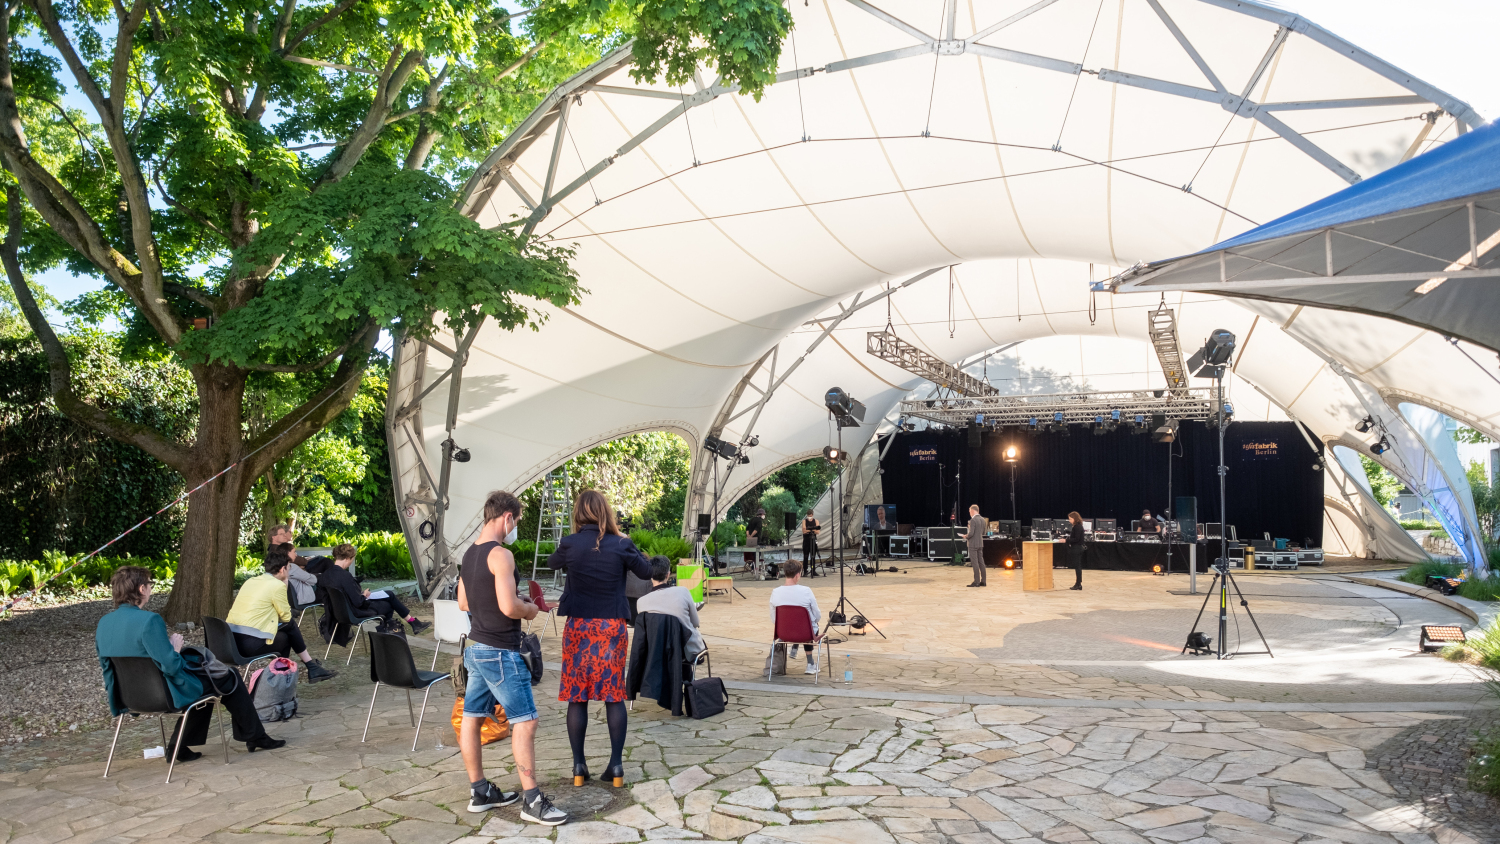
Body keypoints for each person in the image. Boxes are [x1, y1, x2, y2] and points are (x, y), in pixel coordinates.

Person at [457, 490, 568, 826]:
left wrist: (509, 597)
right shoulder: (501, 555)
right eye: (516, 521)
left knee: (473, 717)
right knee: (526, 720)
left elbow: (464, 602)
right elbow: (509, 608)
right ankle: (532, 800)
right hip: (500, 651)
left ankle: (480, 791)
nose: (515, 527)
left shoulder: (469, 554)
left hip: (474, 648)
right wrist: (530, 608)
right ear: (507, 517)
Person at [96, 566, 285, 760]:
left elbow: (108, 669)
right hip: (163, 694)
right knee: (228, 677)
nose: (151, 589)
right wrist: (175, 648)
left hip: (129, 697)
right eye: (149, 584)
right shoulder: (149, 620)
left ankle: (179, 747)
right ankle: (255, 736)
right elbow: (171, 666)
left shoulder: (104, 623)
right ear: (142, 589)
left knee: (206, 681)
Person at [549, 489, 652, 790]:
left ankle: (579, 765)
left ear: (579, 513)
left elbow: (554, 563)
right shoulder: (621, 543)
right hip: (611, 627)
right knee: (612, 693)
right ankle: (616, 765)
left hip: (578, 626)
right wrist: (627, 544)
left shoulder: (570, 543)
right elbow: (646, 572)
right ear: (606, 512)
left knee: (576, 694)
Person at [225, 552, 338, 682]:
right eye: (289, 566)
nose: (290, 570)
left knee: (286, 631)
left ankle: (304, 669)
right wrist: (285, 584)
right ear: (282, 568)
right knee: (287, 634)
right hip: (250, 645)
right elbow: (286, 617)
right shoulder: (277, 585)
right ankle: (288, 677)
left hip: (232, 640)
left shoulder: (251, 581)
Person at [317, 544, 431, 635]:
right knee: (388, 604)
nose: (352, 562)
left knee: (389, 594)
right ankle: (390, 632)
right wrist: (364, 595)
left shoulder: (325, 575)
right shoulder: (345, 576)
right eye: (352, 559)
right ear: (347, 558)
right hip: (353, 612)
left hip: (338, 612)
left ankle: (411, 624)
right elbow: (358, 602)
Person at [635, 555, 705, 657]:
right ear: (668, 574)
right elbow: (695, 623)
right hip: (685, 651)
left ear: (650, 575)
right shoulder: (683, 592)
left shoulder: (641, 602)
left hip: (655, 653)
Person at [768, 560, 821, 675]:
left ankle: (795, 647)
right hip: (805, 633)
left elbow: (774, 618)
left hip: (783, 633)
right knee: (811, 625)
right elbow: (817, 615)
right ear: (797, 575)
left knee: (801, 623)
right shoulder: (806, 591)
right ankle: (810, 664)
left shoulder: (775, 592)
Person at [958, 504, 987, 587]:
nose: (969, 513)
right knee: (981, 562)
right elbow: (984, 533)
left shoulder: (973, 520)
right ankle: (983, 581)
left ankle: (976, 582)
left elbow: (971, 534)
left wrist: (965, 536)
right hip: (980, 543)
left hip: (973, 544)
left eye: (969, 511)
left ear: (973, 511)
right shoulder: (982, 520)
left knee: (974, 562)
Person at [1065, 511, 1086, 590]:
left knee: (1077, 566)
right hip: (1077, 548)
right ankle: (1078, 583)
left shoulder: (1077, 527)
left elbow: (1076, 539)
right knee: (1078, 566)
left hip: (1077, 548)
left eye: (1070, 519)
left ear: (1074, 518)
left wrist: (1066, 540)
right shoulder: (1078, 526)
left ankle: (1078, 584)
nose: (1069, 521)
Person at [800, 511, 821, 576]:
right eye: (808, 515)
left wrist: (809, 529)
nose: (809, 516)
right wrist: (812, 529)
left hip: (813, 540)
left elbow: (817, 531)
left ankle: (813, 570)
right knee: (805, 556)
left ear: (812, 514)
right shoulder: (804, 521)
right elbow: (804, 531)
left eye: (811, 515)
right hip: (806, 540)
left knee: (813, 556)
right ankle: (805, 571)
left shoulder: (816, 521)